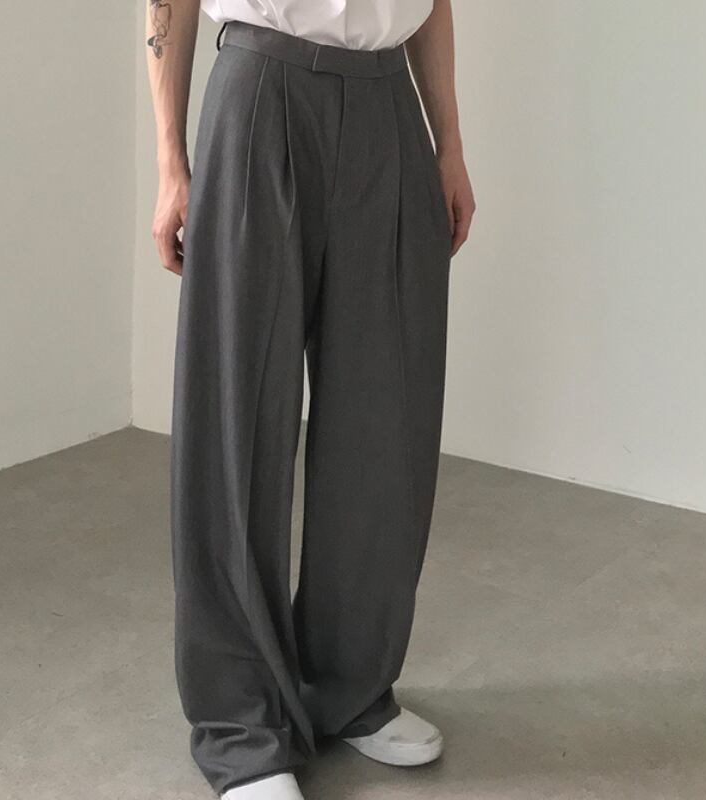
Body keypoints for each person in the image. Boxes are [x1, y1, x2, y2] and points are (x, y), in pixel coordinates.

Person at [145, 1, 475, 797]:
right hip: (261, 89)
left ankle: (351, 686)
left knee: (386, 416)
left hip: (388, 105)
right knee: (236, 419)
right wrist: (171, 159)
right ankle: (242, 724)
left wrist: (450, 144)